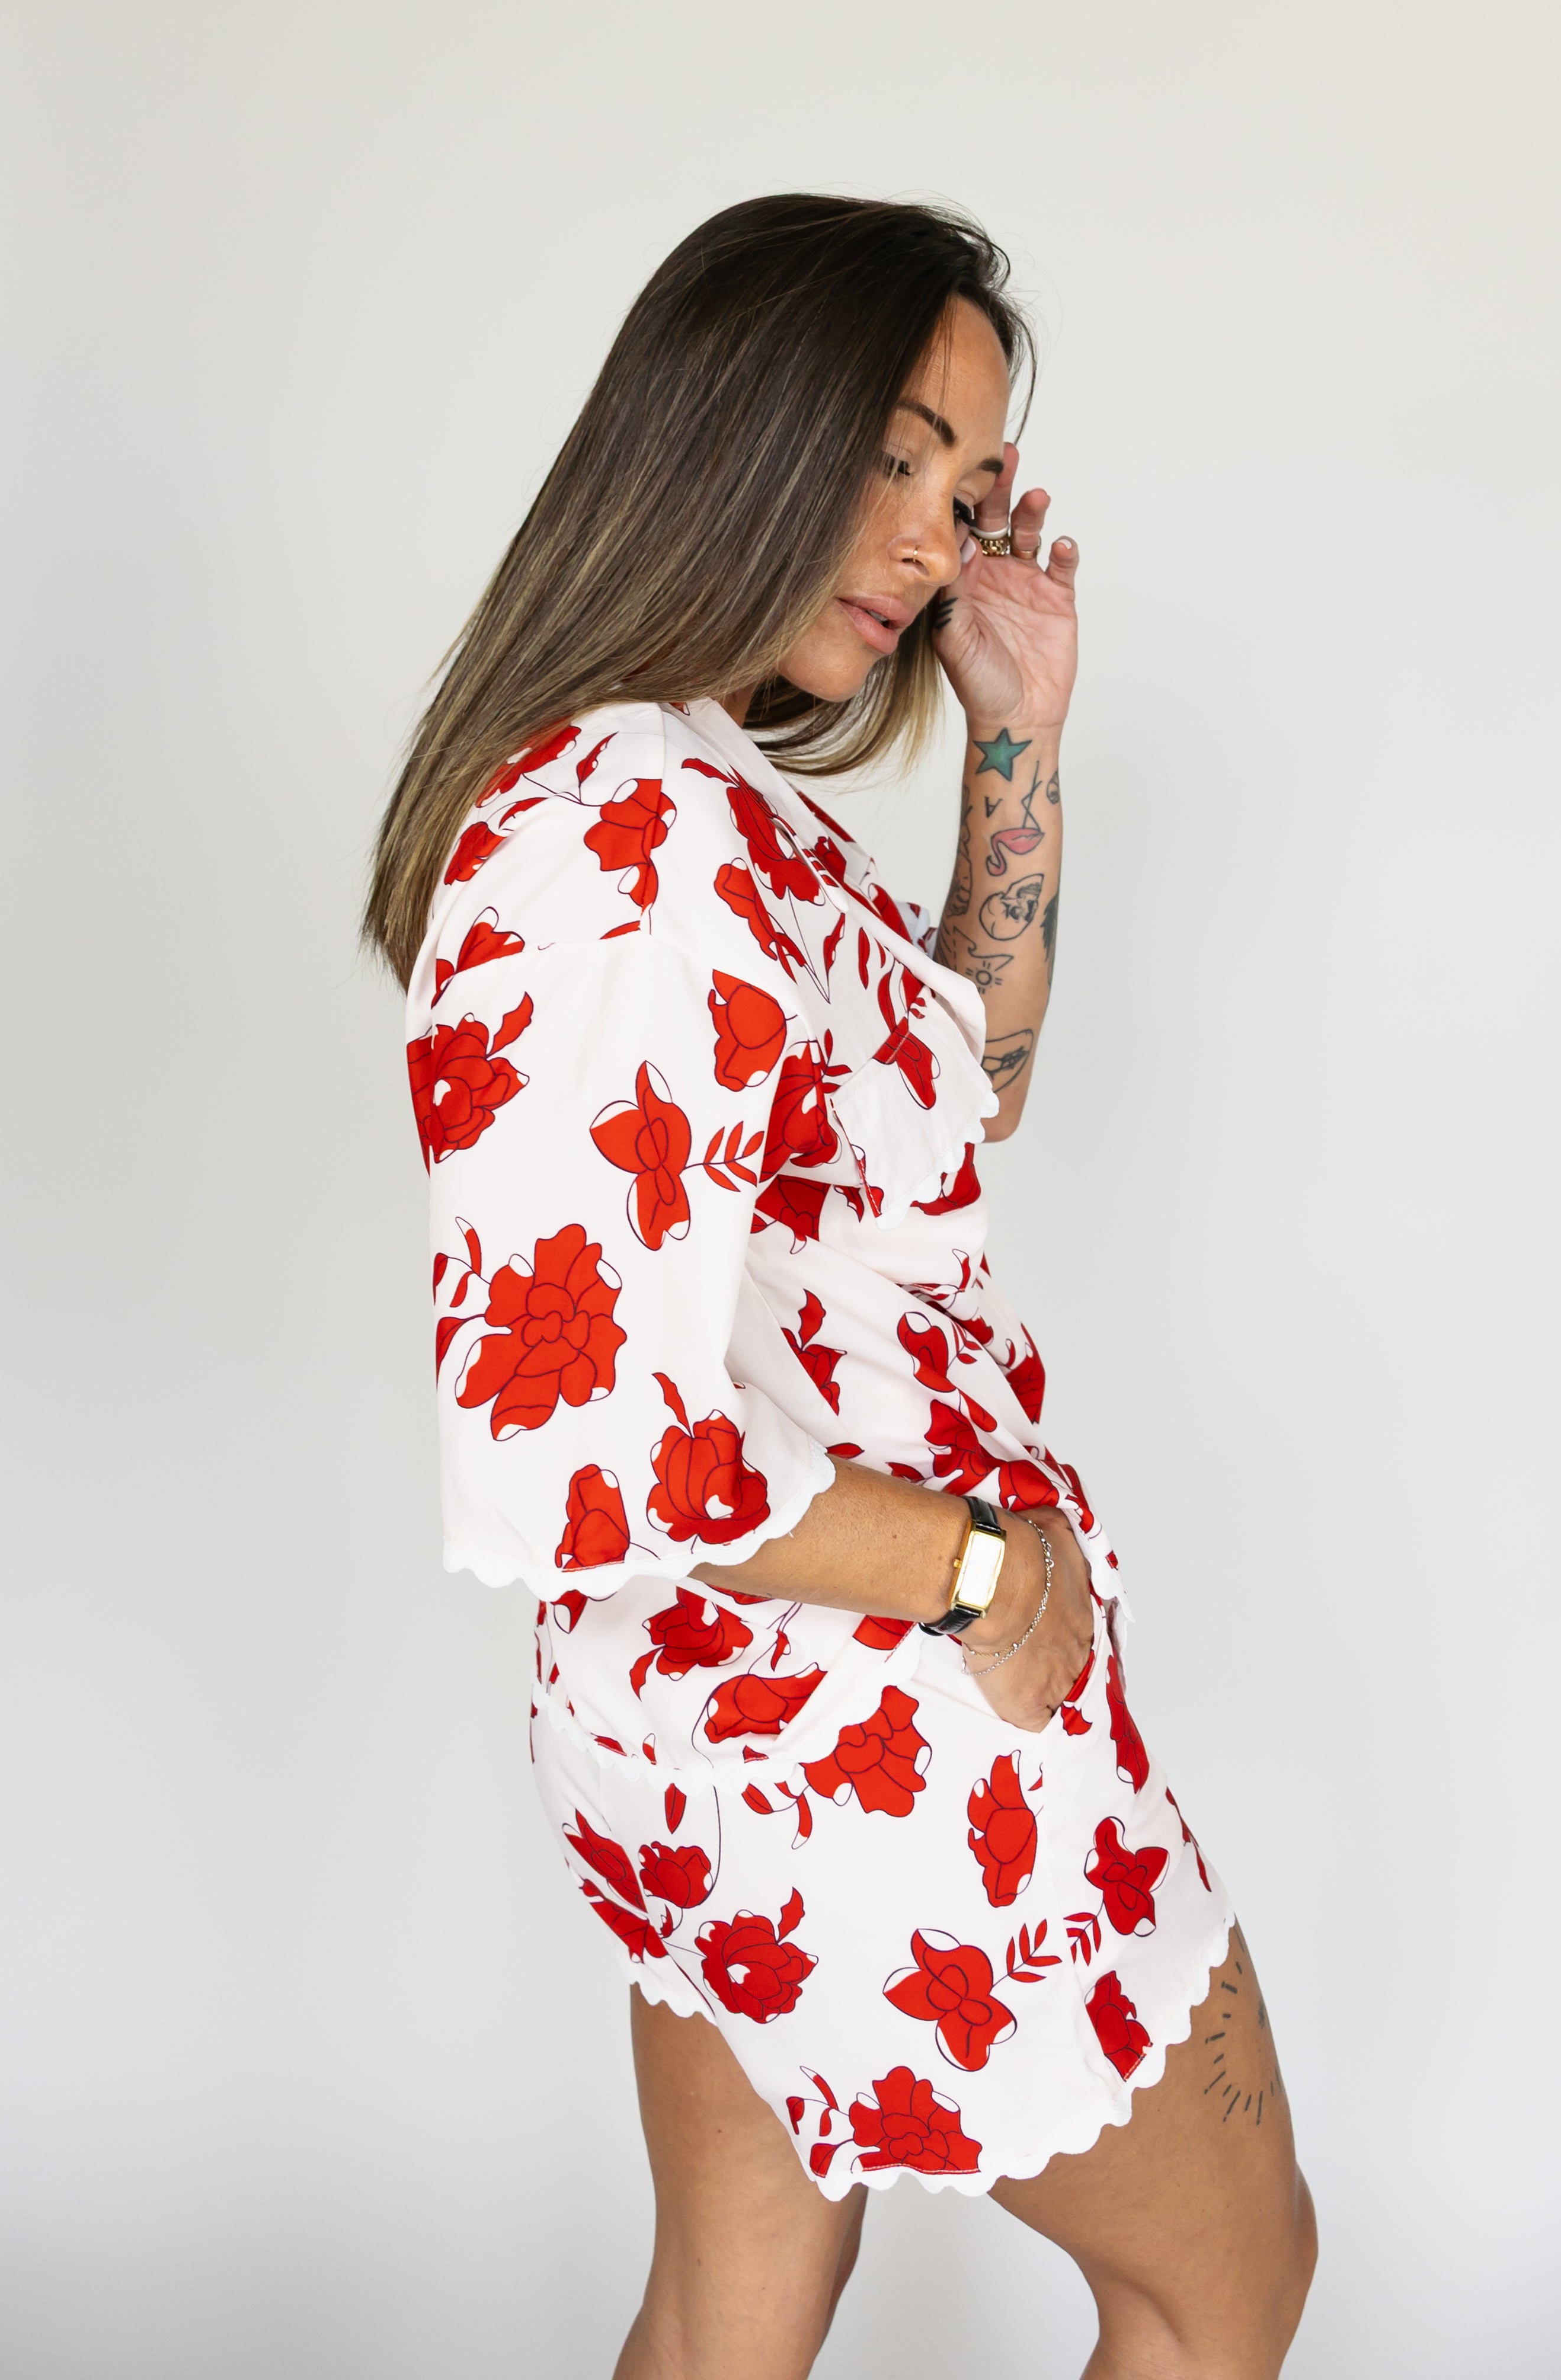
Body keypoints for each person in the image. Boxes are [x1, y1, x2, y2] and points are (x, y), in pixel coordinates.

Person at [366, 193, 1316, 2380]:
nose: (924, 539)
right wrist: (987, 1572)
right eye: (888, 454)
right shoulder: (625, 825)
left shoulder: (692, 788)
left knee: (731, 2318)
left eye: (963, 489)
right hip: (862, 1694)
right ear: (727, 423)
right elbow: (563, 1441)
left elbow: (957, 1095)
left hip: (734, 1714)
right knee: (1221, 2280)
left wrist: (1015, 734)